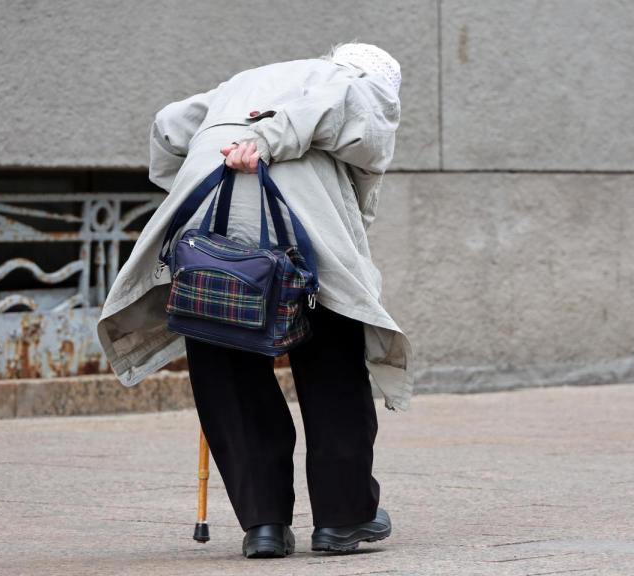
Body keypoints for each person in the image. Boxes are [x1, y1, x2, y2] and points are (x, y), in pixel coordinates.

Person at [95, 43, 413, 559]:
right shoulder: (360, 81)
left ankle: (263, 523)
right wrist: (265, 140)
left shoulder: (250, 79)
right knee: (330, 357)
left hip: (210, 203)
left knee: (222, 342)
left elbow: (169, 125)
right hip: (296, 218)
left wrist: (195, 172)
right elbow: (347, 114)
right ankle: (342, 518)